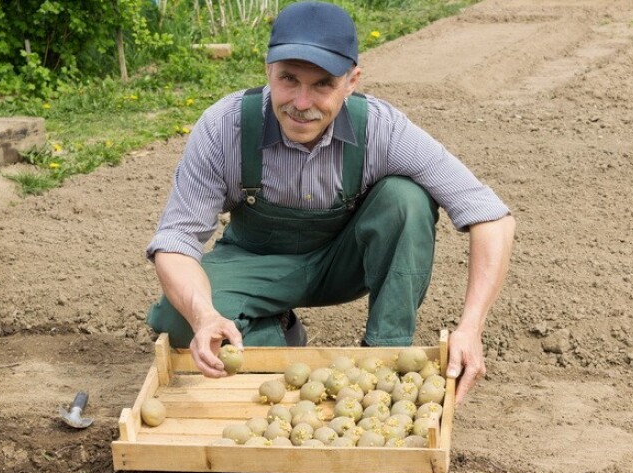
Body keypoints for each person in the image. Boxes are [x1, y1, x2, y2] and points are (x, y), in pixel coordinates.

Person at [145, 1, 514, 404]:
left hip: (344, 261)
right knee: (175, 320)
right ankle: (276, 334)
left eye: (322, 84)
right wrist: (204, 316)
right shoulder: (225, 127)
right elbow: (177, 240)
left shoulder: (382, 128)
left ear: (351, 81)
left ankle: (384, 356)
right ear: (267, 69)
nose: (302, 103)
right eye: (288, 79)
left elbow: (491, 217)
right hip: (258, 262)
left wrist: (470, 327)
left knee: (405, 198)